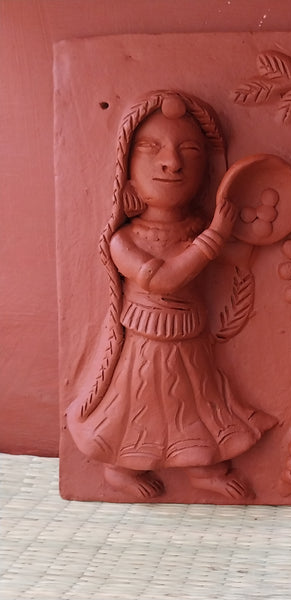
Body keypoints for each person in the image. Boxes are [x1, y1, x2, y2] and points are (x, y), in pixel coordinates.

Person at [66, 91, 276, 500]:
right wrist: (214, 237)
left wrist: (257, 231)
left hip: (191, 342)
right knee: (140, 409)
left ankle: (204, 466)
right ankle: (122, 467)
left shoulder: (197, 225)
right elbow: (163, 280)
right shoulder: (125, 240)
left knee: (199, 406)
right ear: (126, 176)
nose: (172, 162)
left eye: (189, 150)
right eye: (151, 148)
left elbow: (234, 255)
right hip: (146, 348)